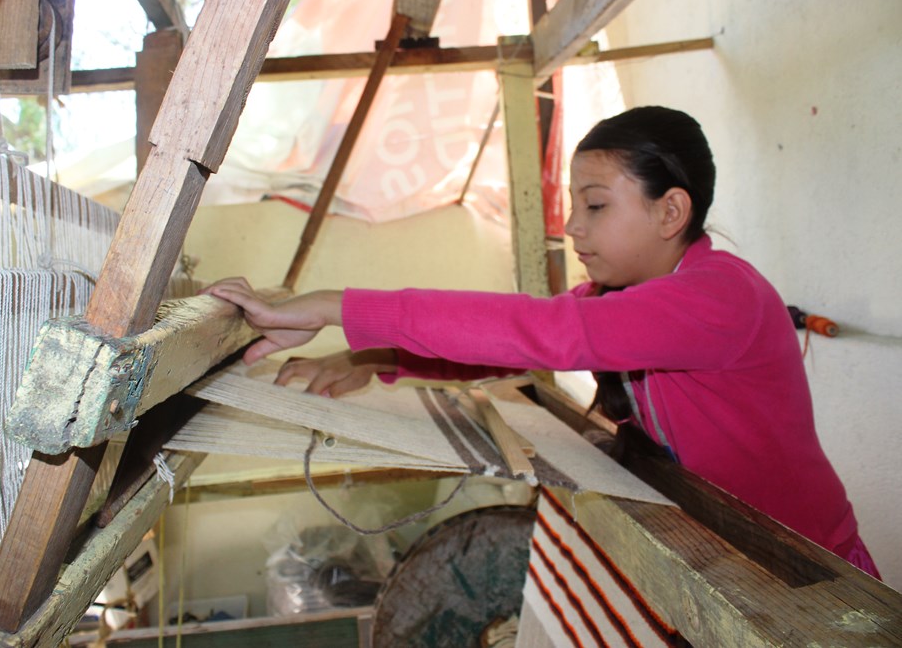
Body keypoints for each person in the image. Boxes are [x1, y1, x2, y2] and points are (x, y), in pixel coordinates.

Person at [204, 106, 880, 579]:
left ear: (670, 210)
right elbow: (505, 345)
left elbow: (545, 333)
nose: (573, 228)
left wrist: (335, 307)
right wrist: (370, 358)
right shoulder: (619, 298)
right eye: (573, 207)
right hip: (724, 545)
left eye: (595, 205)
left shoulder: (720, 296)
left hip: (807, 565)